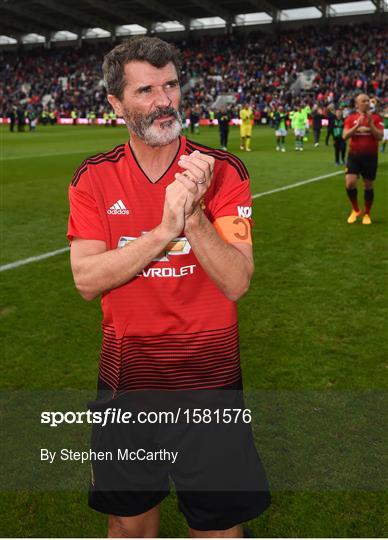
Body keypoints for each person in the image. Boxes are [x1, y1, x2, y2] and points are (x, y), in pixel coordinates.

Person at [67, 36, 270, 538]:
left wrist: (194, 215)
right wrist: (163, 231)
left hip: (211, 386)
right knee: (129, 523)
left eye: (172, 85)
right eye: (146, 90)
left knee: (220, 528)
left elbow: (237, 281)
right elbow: (86, 280)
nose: (164, 101)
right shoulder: (93, 179)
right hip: (127, 386)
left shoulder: (223, 171)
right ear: (116, 103)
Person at [343, 94, 383, 225]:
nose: (367, 103)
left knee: (368, 185)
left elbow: (379, 137)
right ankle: (355, 210)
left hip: (370, 157)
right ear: (357, 104)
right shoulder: (351, 118)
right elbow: (344, 136)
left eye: (368, 101)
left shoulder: (376, 118)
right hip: (354, 156)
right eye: (363, 101)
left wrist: (371, 125)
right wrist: (356, 127)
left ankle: (367, 214)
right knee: (350, 183)